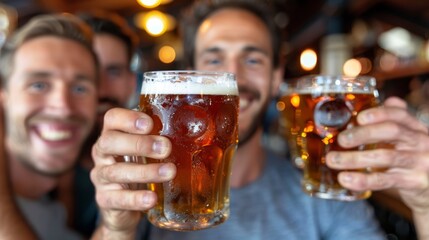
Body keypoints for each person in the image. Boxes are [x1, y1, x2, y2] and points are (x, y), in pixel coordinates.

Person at [90, 1, 429, 240]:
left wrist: (426, 205)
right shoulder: (149, 191)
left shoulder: (320, 195)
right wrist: (116, 230)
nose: (233, 74)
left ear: (274, 77)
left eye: (252, 59)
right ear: (189, 73)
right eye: (214, 58)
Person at [0, 14, 99, 239]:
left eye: (80, 88)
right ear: (3, 97)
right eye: (38, 85)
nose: (63, 107)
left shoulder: (57, 217)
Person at [56, 11, 139, 237]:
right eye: (88, 73)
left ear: (131, 83)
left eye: (113, 71)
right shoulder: (34, 162)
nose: (101, 89)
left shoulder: (150, 171)